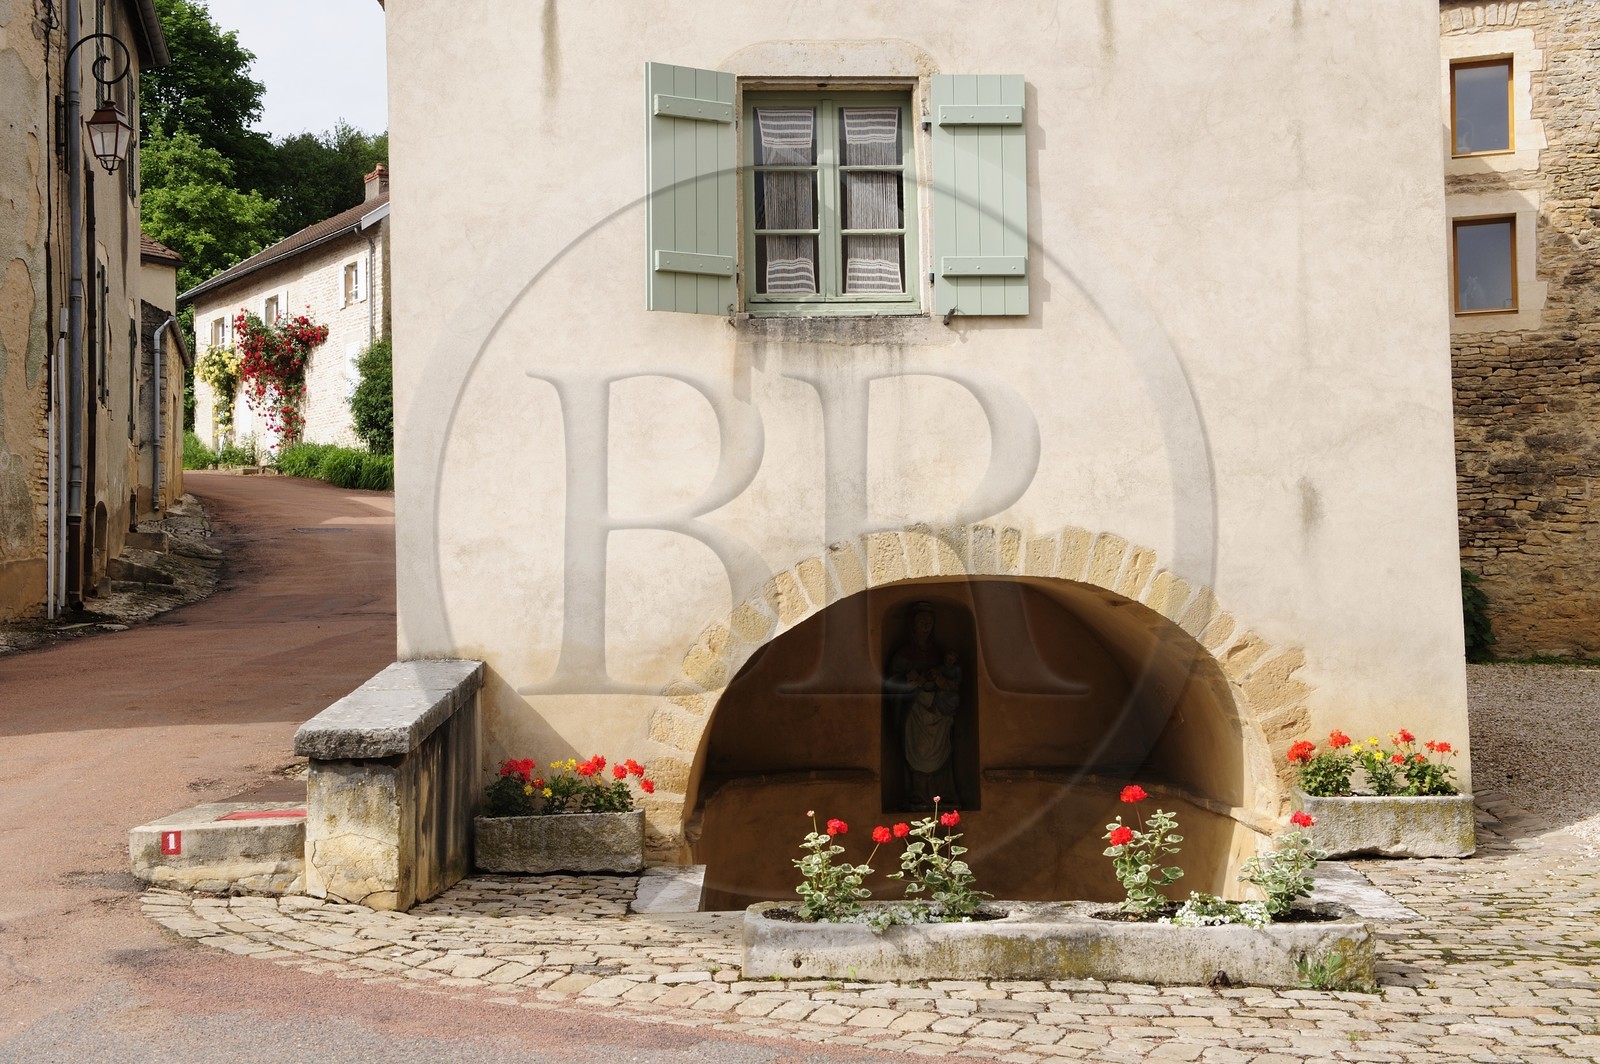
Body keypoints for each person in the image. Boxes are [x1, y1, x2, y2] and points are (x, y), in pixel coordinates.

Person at [886, 604, 962, 809]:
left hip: (937, 713)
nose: (926, 625)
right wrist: (910, 681)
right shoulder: (904, 654)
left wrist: (939, 681)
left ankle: (942, 793)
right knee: (917, 749)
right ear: (913, 624)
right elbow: (892, 682)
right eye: (922, 621)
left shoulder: (939, 654)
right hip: (914, 712)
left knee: (942, 747)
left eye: (930, 621)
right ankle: (917, 793)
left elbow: (951, 679)